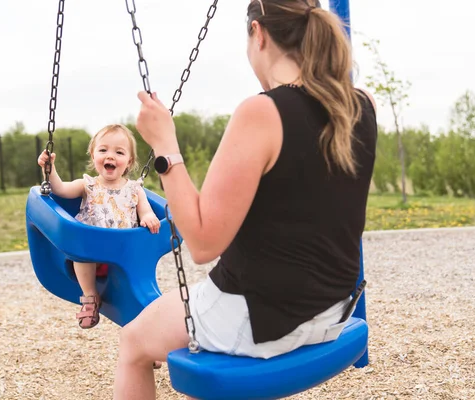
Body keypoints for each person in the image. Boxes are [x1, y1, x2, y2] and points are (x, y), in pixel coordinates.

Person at [113, 0, 378, 398]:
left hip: (261, 317)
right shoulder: (362, 104)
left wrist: (164, 144)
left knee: (134, 341)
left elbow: (202, 244)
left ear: (258, 33)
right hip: (333, 310)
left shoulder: (261, 113)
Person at [37, 124, 160, 329]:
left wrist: (148, 218)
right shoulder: (87, 185)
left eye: (119, 152)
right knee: (81, 255)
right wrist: (49, 170)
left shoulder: (135, 190)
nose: (110, 156)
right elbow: (60, 190)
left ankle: (143, 332)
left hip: (122, 253)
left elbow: (146, 211)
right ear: (93, 155)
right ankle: (90, 296)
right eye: (103, 150)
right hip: (92, 251)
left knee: (134, 295)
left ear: (128, 161)